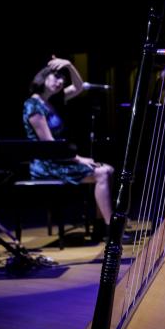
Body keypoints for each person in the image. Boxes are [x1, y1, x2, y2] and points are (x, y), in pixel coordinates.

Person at [23, 56, 116, 240]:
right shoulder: (33, 105)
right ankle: (111, 230)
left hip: (59, 159)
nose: (60, 82)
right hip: (45, 164)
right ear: (43, 77)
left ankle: (100, 227)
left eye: (62, 80)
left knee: (109, 169)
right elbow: (50, 145)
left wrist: (69, 65)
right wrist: (79, 159)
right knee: (102, 173)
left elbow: (79, 87)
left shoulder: (53, 101)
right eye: (56, 77)